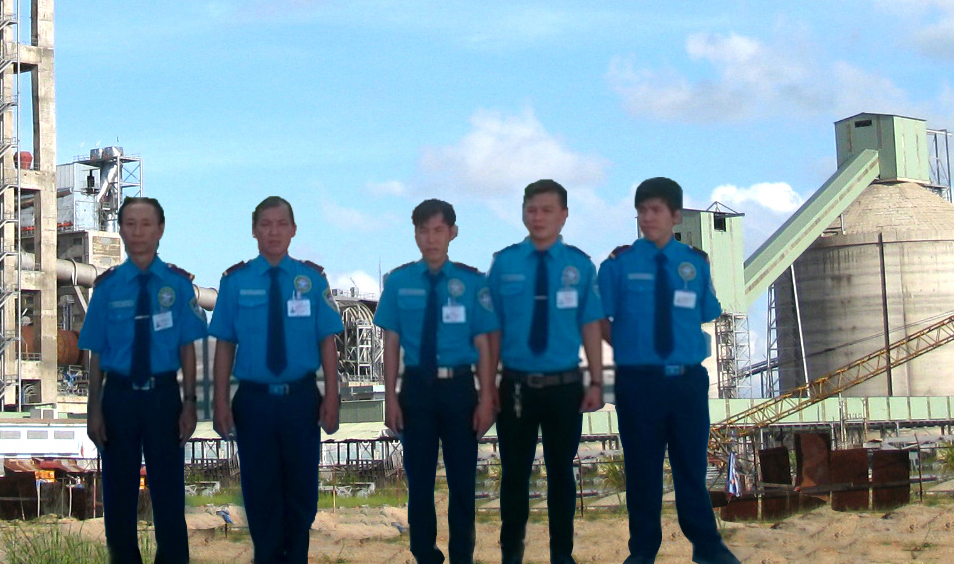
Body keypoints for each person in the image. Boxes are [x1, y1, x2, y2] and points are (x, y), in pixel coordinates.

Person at [597, 177, 740, 564]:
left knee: (690, 469)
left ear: (675, 215)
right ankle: (643, 551)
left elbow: (707, 312)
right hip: (638, 382)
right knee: (642, 472)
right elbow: (597, 317)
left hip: (686, 383)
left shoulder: (695, 262)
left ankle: (707, 548)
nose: (648, 218)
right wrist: (629, 347)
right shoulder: (618, 265)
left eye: (656, 210)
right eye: (642, 211)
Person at [209, 196, 343, 564]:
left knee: (302, 492)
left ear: (293, 230)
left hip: (301, 399)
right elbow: (224, 346)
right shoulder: (235, 282)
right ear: (254, 231)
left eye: (281, 224)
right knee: (260, 492)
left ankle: (295, 557)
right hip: (254, 402)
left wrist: (332, 397)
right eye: (265, 224)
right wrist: (220, 402)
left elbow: (327, 342)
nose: (274, 232)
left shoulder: (312, 280)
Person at [80, 197, 207, 564]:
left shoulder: (178, 286)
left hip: (163, 398)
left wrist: (190, 403)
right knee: (118, 497)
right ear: (120, 230)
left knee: (168, 495)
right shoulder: (106, 288)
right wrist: (94, 409)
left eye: (146, 224)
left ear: (161, 230)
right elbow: (96, 353)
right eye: (130, 224)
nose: (138, 232)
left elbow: (188, 348)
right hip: (118, 398)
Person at [373, 199, 498, 564]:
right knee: (420, 482)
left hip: (460, 390)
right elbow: (391, 342)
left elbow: (484, 343)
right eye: (423, 231)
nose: (431, 239)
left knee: (462, 484)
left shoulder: (472, 282)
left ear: (452, 233)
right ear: (415, 235)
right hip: (416, 390)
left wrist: (487, 398)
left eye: (439, 230)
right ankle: (425, 554)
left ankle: (462, 557)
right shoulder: (399, 282)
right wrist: (391, 399)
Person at [487, 179, 605, 564]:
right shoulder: (504, 264)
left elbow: (591, 325)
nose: (538, 217)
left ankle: (562, 556)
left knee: (561, 475)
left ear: (564, 215)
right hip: (515, 386)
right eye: (531, 210)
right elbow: (490, 330)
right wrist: (487, 387)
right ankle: (511, 555)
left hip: (565, 385)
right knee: (514, 476)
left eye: (547, 210)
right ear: (523, 213)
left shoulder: (580, 265)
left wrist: (597, 381)